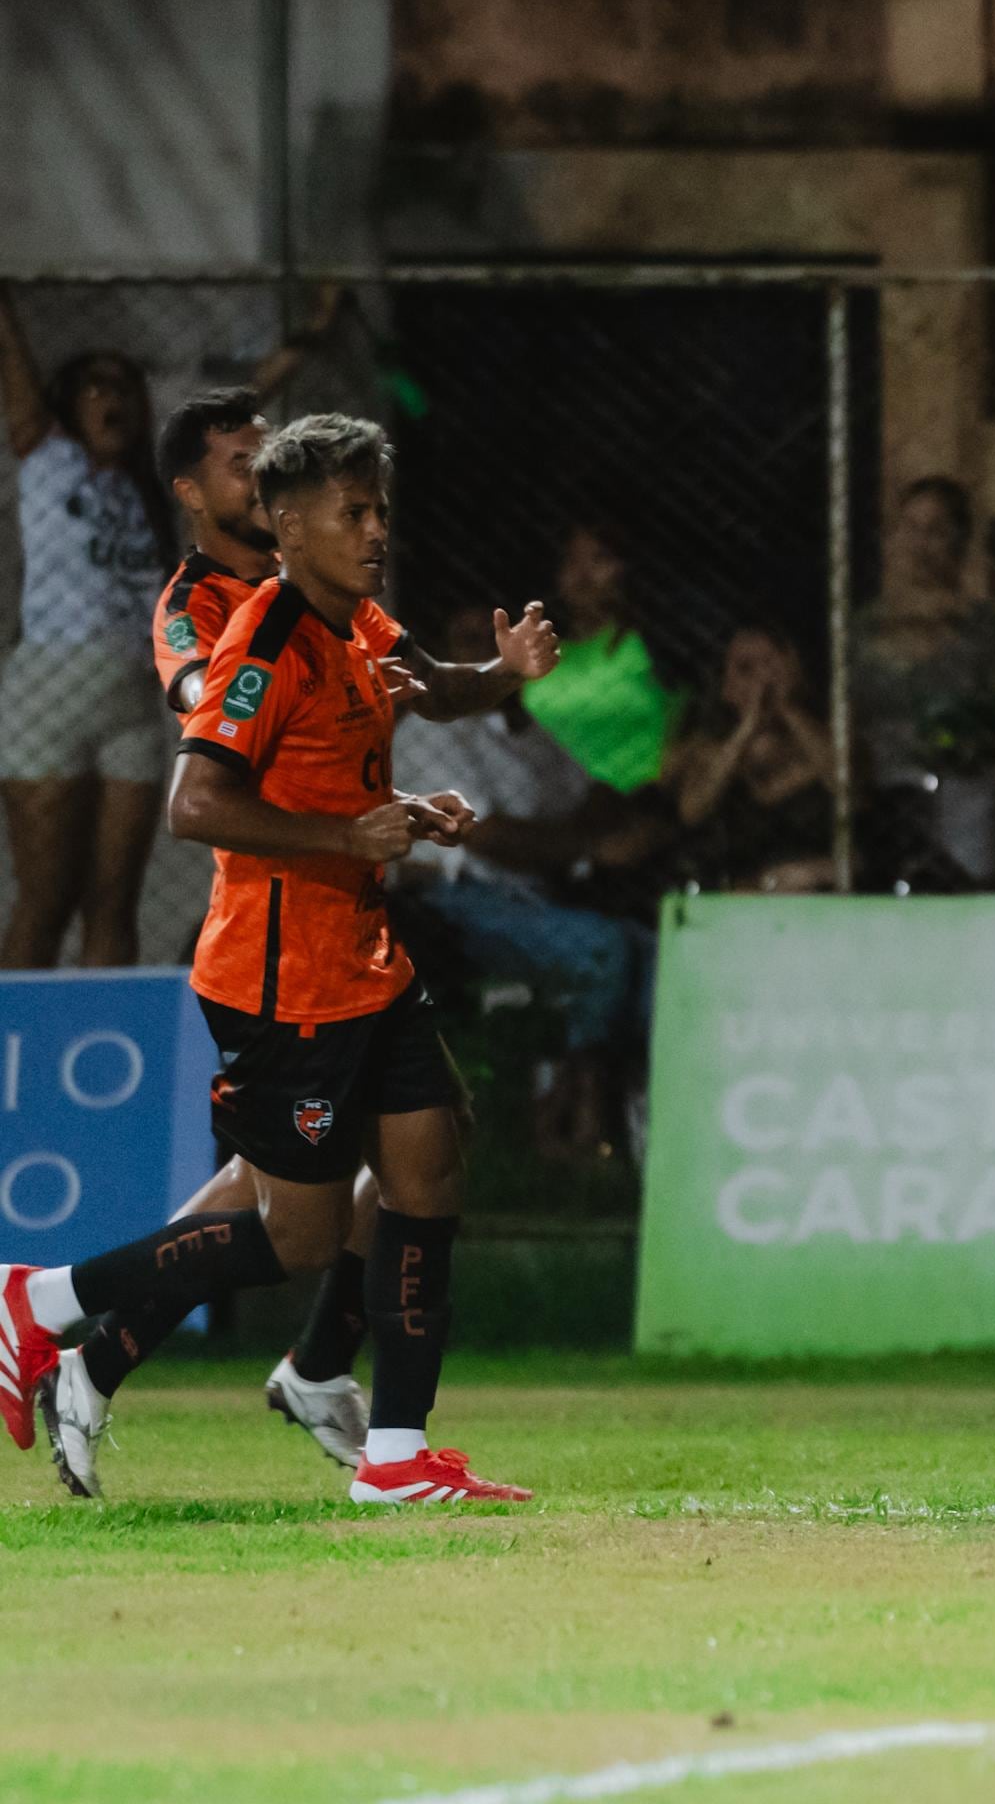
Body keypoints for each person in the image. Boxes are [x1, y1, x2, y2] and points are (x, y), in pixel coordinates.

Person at [2, 413, 558, 1504]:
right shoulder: (257, 640)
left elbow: (407, 703)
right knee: (296, 1234)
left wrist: (453, 738)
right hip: (281, 982)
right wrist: (351, 834)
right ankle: (45, 1299)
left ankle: (395, 1451)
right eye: (353, 512)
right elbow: (194, 800)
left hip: (365, 959)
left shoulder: (353, 625)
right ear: (289, 522)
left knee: (427, 1165)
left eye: (380, 509)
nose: (376, 529)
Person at [392, 605, 650, 1159]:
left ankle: (618, 1114)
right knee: (603, 948)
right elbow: (485, 835)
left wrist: (606, 826)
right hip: (453, 902)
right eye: (462, 642)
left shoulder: (524, 730)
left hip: (533, 898)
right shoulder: (429, 729)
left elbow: (593, 797)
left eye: (490, 640)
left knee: (647, 949)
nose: (478, 655)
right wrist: (584, 851)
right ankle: (570, 1119)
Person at [0, 299, 175, 968]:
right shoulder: (49, 458)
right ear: (69, 405)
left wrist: (301, 345)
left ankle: (108, 1044)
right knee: (47, 898)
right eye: (96, 386)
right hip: (49, 689)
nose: (113, 398)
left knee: (113, 899)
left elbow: (234, 415)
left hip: (129, 700)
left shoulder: (148, 489)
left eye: (125, 386)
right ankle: (12, 1053)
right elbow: (14, 366)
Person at [857, 476, 995, 889]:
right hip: (883, 789)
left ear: (959, 541)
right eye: (911, 528)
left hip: (961, 788)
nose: (922, 544)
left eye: (936, 530)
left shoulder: (985, 629)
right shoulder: (865, 628)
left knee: (962, 890)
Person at [665, 624, 837, 895]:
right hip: (737, 886)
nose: (761, 681)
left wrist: (787, 708)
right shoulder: (704, 748)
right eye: (746, 669)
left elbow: (845, 781)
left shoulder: (832, 731)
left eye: (769, 666)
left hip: (816, 884)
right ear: (726, 685)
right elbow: (693, 810)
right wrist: (747, 729)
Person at [520, 519, 684, 795]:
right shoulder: (534, 650)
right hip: (557, 813)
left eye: (600, 558)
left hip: (648, 800)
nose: (582, 575)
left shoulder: (649, 639)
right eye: (572, 560)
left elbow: (687, 705)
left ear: (626, 569)